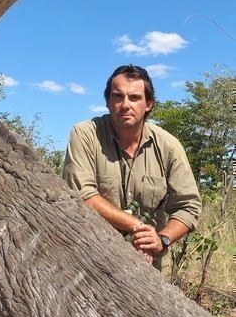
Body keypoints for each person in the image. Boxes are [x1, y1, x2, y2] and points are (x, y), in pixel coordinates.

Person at [63, 65, 202, 266]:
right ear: (108, 102)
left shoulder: (169, 146)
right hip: (90, 254)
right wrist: (138, 227)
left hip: (146, 261)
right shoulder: (85, 134)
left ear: (149, 105)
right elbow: (82, 195)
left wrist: (160, 240)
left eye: (135, 98)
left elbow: (189, 206)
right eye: (118, 96)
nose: (125, 104)